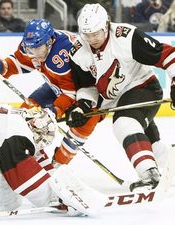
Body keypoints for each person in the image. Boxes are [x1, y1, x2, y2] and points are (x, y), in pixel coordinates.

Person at [67, 3, 175, 192]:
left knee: (124, 123)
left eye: (96, 33)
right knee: (150, 141)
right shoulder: (78, 52)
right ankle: (168, 163)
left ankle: (149, 174)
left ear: (107, 24)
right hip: (115, 98)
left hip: (143, 86)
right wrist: (82, 105)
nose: (91, 39)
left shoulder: (126, 37)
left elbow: (167, 55)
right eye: (87, 34)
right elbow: (87, 86)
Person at [0, 19, 103, 166]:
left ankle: (58, 165)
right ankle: (16, 157)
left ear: (50, 42)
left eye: (37, 49)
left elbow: (70, 93)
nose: (33, 54)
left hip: (89, 93)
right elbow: (20, 62)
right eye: (30, 49)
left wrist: (53, 112)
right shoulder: (34, 44)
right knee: (24, 114)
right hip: (56, 86)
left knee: (84, 124)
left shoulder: (62, 54)